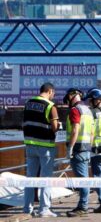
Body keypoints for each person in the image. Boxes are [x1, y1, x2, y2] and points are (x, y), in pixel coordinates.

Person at [22, 82, 60, 218]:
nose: (53, 96)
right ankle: (44, 209)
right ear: (49, 91)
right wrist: (58, 125)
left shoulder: (28, 103)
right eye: (53, 93)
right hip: (46, 147)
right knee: (46, 178)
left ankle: (27, 208)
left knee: (30, 178)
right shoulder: (50, 106)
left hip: (29, 145)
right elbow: (55, 127)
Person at [64, 87, 94, 217]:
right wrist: (90, 147)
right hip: (86, 148)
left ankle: (83, 206)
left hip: (77, 149)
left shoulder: (75, 110)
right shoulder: (88, 110)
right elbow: (92, 132)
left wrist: (70, 147)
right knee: (85, 178)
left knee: (82, 180)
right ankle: (83, 205)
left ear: (72, 96)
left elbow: (75, 130)